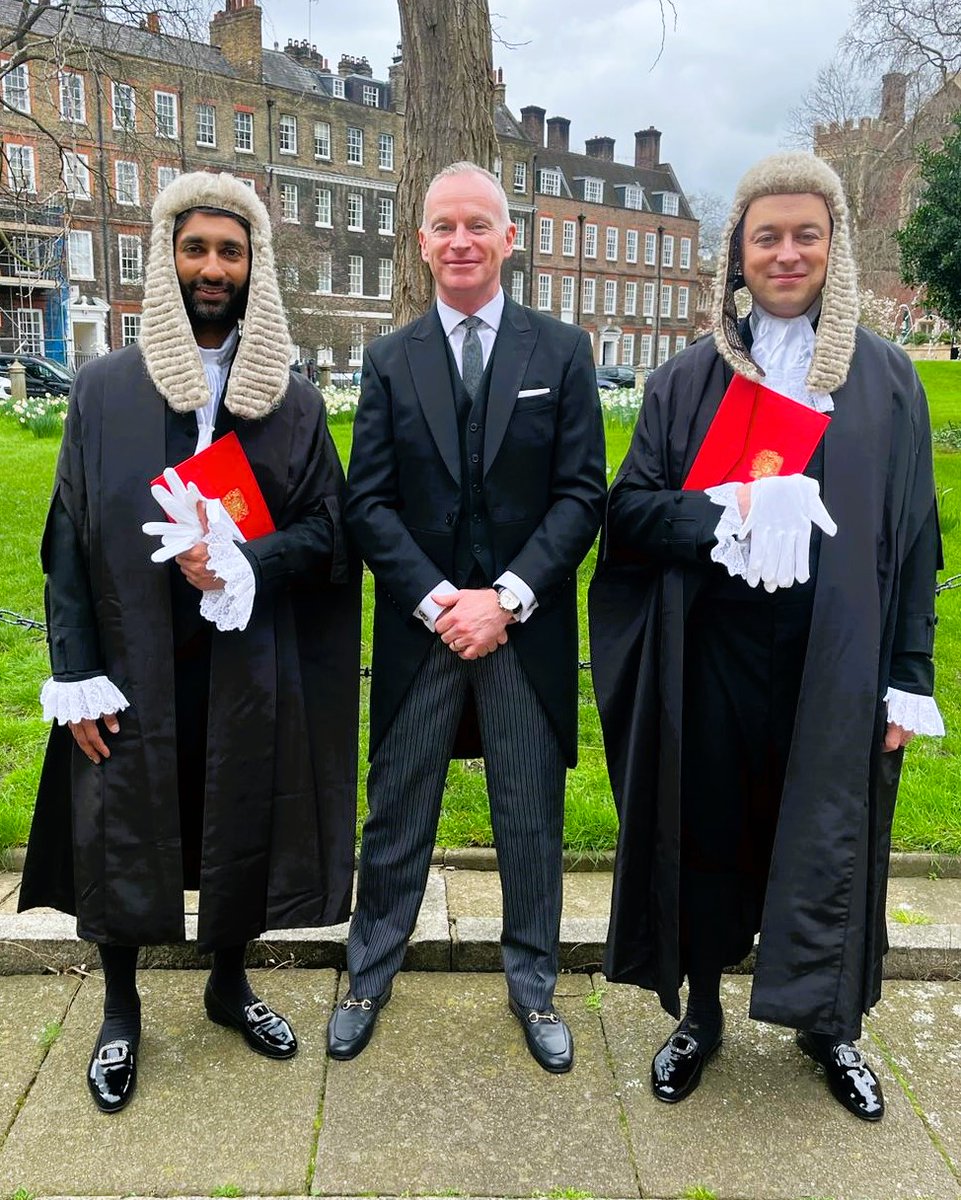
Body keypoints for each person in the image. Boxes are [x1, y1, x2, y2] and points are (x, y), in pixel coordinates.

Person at [590, 152, 943, 1121]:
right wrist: (726, 514)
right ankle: (700, 1014)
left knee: (829, 841)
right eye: (766, 237)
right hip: (711, 658)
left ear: (834, 245)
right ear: (734, 256)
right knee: (706, 833)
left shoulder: (886, 381)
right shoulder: (686, 381)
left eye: (805, 235)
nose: (785, 254)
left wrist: (906, 675)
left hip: (834, 660)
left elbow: (915, 539)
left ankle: (827, 1025)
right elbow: (628, 518)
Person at [19, 171, 360, 1113]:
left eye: (231, 251)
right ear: (169, 258)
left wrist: (249, 561)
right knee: (124, 822)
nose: (213, 267)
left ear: (255, 268)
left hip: (240, 654)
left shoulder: (289, 402)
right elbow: (68, 539)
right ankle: (121, 1007)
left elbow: (329, 533)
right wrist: (76, 670)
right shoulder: (104, 390)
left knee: (239, 813)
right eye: (196, 248)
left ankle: (227, 984)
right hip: (133, 654)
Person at [326, 162, 606, 1073]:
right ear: (420, 241)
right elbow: (367, 502)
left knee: (530, 817)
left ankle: (533, 986)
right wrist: (440, 600)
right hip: (423, 629)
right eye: (443, 225)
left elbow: (579, 495)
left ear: (507, 238)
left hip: (523, 630)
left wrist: (510, 597)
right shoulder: (388, 357)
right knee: (397, 812)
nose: (460, 240)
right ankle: (368, 974)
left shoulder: (560, 352)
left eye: (477, 225)